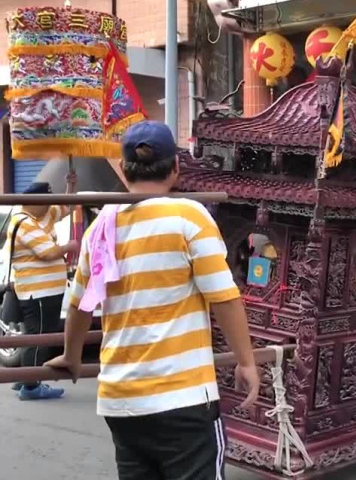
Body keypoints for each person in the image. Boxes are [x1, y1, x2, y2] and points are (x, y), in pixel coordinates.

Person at [45, 121, 261, 479]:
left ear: (124, 168)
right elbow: (224, 297)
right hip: (182, 398)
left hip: (121, 401)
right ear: (175, 167)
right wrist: (246, 362)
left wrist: (71, 355)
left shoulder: (101, 226)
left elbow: (81, 304)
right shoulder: (188, 215)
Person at [7, 181, 78, 400]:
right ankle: (31, 386)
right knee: (39, 338)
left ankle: (25, 379)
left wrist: (70, 187)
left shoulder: (42, 214)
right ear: (35, 202)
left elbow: (66, 208)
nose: (50, 206)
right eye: (46, 202)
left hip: (45, 291)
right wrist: (69, 247)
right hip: (38, 292)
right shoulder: (25, 223)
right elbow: (48, 252)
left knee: (36, 336)